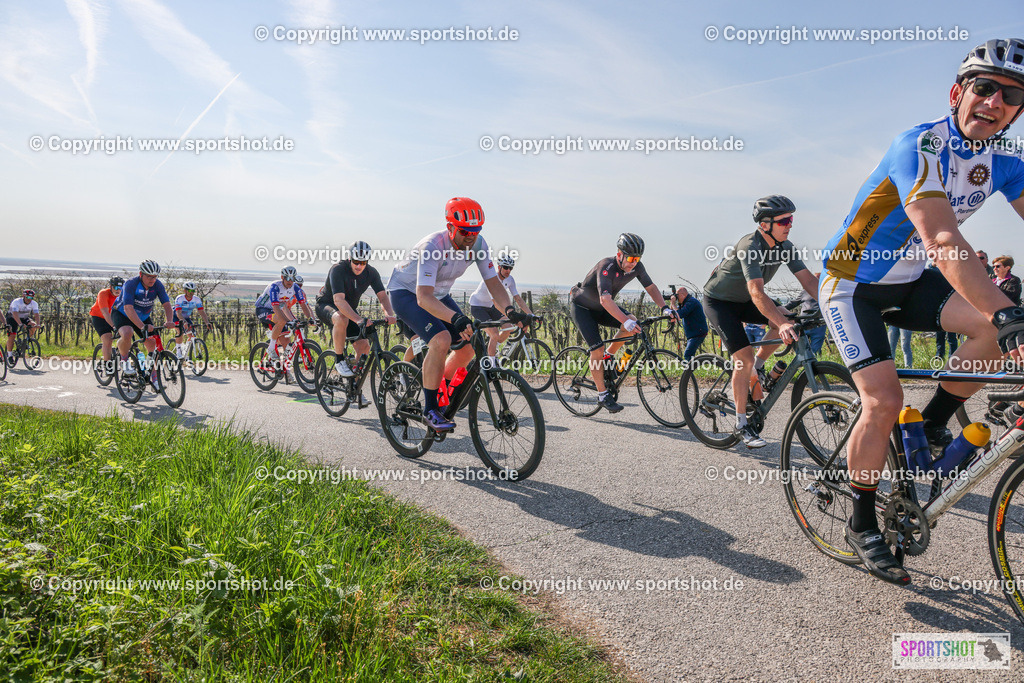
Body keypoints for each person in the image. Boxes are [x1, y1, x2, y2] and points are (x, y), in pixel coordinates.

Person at [819, 38, 1024, 585]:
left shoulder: (1007, 159)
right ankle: (861, 521)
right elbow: (939, 236)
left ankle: (932, 426)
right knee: (883, 400)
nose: (995, 101)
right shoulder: (918, 145)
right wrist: (1009, 315)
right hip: (853, 282)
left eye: (1011, 95)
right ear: (959, 91)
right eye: (984, 88)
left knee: (983, 328)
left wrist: (1000, 316)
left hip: (909, 281)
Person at [386, 197, 529, 432]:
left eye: (476, 231)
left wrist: (512, 311)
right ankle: (430, 409)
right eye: (464, 232)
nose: (470, 237)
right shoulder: (433, 246)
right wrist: (455, 317)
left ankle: (443, 391)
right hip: (407, 293)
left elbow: (494, 284)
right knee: (441, 340)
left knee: (469, 344)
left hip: (439, 294)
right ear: (450, 227)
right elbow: (423, 298)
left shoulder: (478, 245)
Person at [703, 195, 820, 447]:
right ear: (765, 224)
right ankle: (741, 424)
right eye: (785, 221)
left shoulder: (786, 247)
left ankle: (757, 366)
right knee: (742, 358)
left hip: (745, 300)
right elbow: (757, 291)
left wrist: (837, 305)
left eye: (791, 220)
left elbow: (810, 282)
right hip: (719, 302)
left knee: (784, 319)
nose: (790, 225)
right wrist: (783, 322)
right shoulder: (750, 246)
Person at [569, 233, 679, 414]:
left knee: (634, 324)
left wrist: (665, 308)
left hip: (601, 307)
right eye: (631, 258)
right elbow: (605, 300)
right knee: (596, 348)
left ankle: (608, 356)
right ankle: (602, 394)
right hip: (583, 308)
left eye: (638, 259)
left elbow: (650, 287)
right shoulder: (606, 267)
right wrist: (625, 320)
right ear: (619, 254)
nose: (634, 263)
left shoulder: (637, 267)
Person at [314, 242, 397, 394]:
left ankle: (353, 388)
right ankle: (339, 360)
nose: (359, 266)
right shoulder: (338, 269)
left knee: (364, 346)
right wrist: (359, 319)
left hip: (348, 310)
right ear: (350, 258)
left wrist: (389, 314)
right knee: (341, 318)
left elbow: (383, 296)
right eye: (356, 262)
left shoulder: (371, 273)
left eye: (363, 263)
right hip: (326, 305)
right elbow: (338, 301)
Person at [113, 261, 175, 379]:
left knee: (153, 343)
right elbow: (128, 308)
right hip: (122, 314)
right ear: (141, 274)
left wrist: (170, 320)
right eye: (149, 276)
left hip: (143, 316)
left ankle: (153, 377)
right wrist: (142, 326)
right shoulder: (131, 284)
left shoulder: (158, 285)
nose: (152, 279)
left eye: (155, 277)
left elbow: (167, 304)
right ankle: (124, 361)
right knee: (127, 333)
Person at [469, 255, 534, 367]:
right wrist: (512, 316)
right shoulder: (491, 279)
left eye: (510, 268)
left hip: (491, 307)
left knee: (509, 327)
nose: (508, 270)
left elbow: (517, 299)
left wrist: (531, 314)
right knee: (494, 333)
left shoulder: (510, 280)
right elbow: (496, 302)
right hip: (478, 306)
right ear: (499, 267)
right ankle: (492, 365)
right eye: (505, 267)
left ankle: (493, 346)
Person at [254, 267, 315, 367]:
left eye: (292, 278)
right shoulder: (275, 287)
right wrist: (287, 321)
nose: (290, 281)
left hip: (276, 310)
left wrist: (310, 319)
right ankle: (271, 348)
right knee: (281, 321)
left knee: (286, 341)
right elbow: (276, 307)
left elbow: (303, 305)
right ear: (282, 277)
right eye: (287, 278)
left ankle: (284, 370)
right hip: (263, 309)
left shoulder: (295, 287)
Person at [89, 277, 123, 370]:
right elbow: (105, 312)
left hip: (113, 317)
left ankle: (121, 359)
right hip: (99, 317)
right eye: (116, 288)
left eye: (121, 288)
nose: (118, 290)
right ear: (110, 286)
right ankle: (107, 365)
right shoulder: (103, 293)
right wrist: (114, 326)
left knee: (125, 335)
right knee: (108, 339)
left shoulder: (123, 295)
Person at [172, 282, 212, 357]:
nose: (192, 293)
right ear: (185, 290)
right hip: (175, 316)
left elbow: (202, 312)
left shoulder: (196, 299)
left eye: (193, 291)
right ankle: (178, 352)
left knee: (192, 334)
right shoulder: (180, 298)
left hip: (186, 317)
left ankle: (185, 352)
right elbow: (178, 313)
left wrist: (207, 322)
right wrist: (183, 322)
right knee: (180, 331)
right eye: (190, 291)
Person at [671, 287, 708, 361]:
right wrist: (672, 304)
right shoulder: (686, 302)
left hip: (698, 333)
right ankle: (690, 371)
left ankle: (689, 372)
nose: (677, 298)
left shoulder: (691, 302)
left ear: (683, 294)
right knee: (689, 356)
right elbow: (674, 312)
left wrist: (672, 303)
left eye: (677, 296)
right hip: (694, 334)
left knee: (688, 355)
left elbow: (679, 314)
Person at [6, 289, 41, 365]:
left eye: (31, 298)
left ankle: (25, 341)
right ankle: (9, 355)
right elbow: (15, 313)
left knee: (33, 325)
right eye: (28, 297)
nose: (29, 299)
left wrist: (38, 324)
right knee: (12, 336)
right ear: (24, 296)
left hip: (24, 318)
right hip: (12, 318)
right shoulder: (17, 302)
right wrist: (20, 324)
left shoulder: (34, 303)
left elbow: (36, 314)